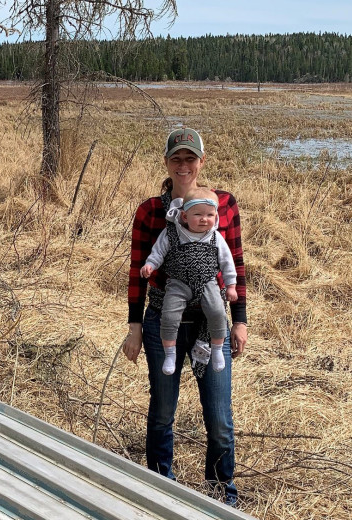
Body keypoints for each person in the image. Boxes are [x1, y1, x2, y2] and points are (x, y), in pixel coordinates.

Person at [121, 127, 247, 506]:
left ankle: (220, 495)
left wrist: (238, 320)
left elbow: (235, 264)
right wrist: (135, 327)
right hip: (163, 318)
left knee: (220, 419)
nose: (183, 165)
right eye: (176, 158)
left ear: (201, 162)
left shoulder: (223, 204)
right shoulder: (151, 211)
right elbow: (137, 269)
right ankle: (161, 490)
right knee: (162, 412)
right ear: (166, 162)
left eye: (190, 158)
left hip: (212, 323)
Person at [140, 187, 238, 375]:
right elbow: (158, 252)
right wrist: (150, 265)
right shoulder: (172, 233)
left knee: (218, 312)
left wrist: (231, 286)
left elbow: (228, 262)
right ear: (185, 216)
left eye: (210, 215)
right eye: (198, 214)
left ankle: (217, 350)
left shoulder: (215, 237)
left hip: (208, 282)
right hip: (178, 283)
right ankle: (170, 353)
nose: (204, 219)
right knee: (169, 316)